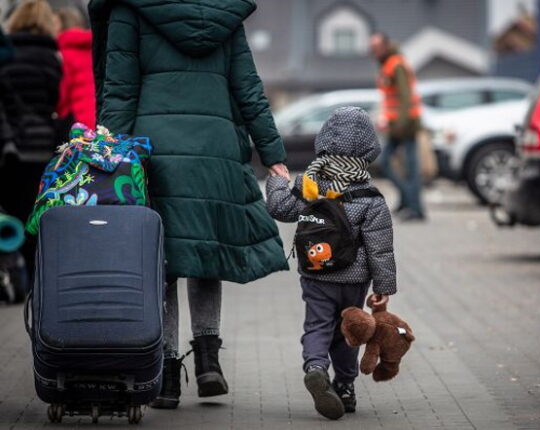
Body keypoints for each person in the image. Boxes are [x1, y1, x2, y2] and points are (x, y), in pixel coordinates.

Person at [88, 0, 290, 409]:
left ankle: (166, 374)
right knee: (203, 253)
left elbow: (120, 90)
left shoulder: (131, 11)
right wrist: (273, 154)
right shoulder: (224, 14)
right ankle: (208, 360)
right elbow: (248, 87)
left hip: (154, 152)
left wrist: (107, 155)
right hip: (213, 153)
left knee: (161, 260)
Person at [266, 107, 397, 420]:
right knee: (348, 330)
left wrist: (277, 182)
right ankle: (346, 387)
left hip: (316, 274)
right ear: (369, 149)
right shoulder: (370, 197)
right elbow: (380, 248)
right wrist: (383, 287)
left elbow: (280, 209)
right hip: (354, 280)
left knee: (317, 325)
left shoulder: (310, 186)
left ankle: (315, 368)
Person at [0, 0, 62, 280]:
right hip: (41, 144)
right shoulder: (50, 56)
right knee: (34, 211)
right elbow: (54, 100)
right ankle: (35, 278)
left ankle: (15, 270)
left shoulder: (6, 52)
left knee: (11, 209)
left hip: (12, 143)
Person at [370, 32, 425, 221]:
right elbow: (389, 98)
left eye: (376, 47)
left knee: (409, 167)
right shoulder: (387, 64)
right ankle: (407, 202)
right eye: (372, 48)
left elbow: (406, 98)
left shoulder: (396, 64)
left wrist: (399, 124)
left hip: (406, 124)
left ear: (385, 46)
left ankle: (415, 208)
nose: (373, 52)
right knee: (389, 163)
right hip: (397, 124)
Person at [55, 7, 95, 128]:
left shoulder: (63, 54)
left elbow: (63, 91)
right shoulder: (94, 48)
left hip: (78, 119)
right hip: (100, 114)